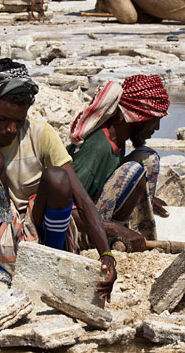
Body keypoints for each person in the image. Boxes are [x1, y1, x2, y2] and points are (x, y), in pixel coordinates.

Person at [0, 59, 117, 298]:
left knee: (58, 176)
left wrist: (107, 256)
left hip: (38, 231)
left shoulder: (40, 135)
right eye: (2, 120)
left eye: (18, 121)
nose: (11, 129)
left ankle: (53, 260)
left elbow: (83, 201)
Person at [68, 75, 171, 251]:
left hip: (98, 216)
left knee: (147, 158)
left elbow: (110, 182)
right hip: (84, 231)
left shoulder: (118, 138)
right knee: (133, 170)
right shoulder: (97, 149)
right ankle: (120, 241)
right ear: (138, 117)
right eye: (155, 120)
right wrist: (118, 230)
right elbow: (66, 210)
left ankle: (140, 235)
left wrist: (145, 198)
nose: (157, 128)